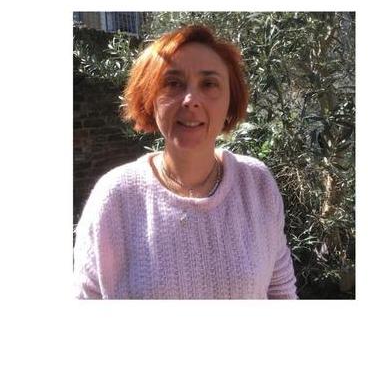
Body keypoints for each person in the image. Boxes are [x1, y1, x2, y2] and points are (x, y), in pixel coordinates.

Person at [73, 24, 297, 299]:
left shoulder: (256, 185)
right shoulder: (115, 197)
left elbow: (281, 292)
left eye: (209, 84)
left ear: (230, 101)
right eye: (173, 83)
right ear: (150, 98)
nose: (191, 100)